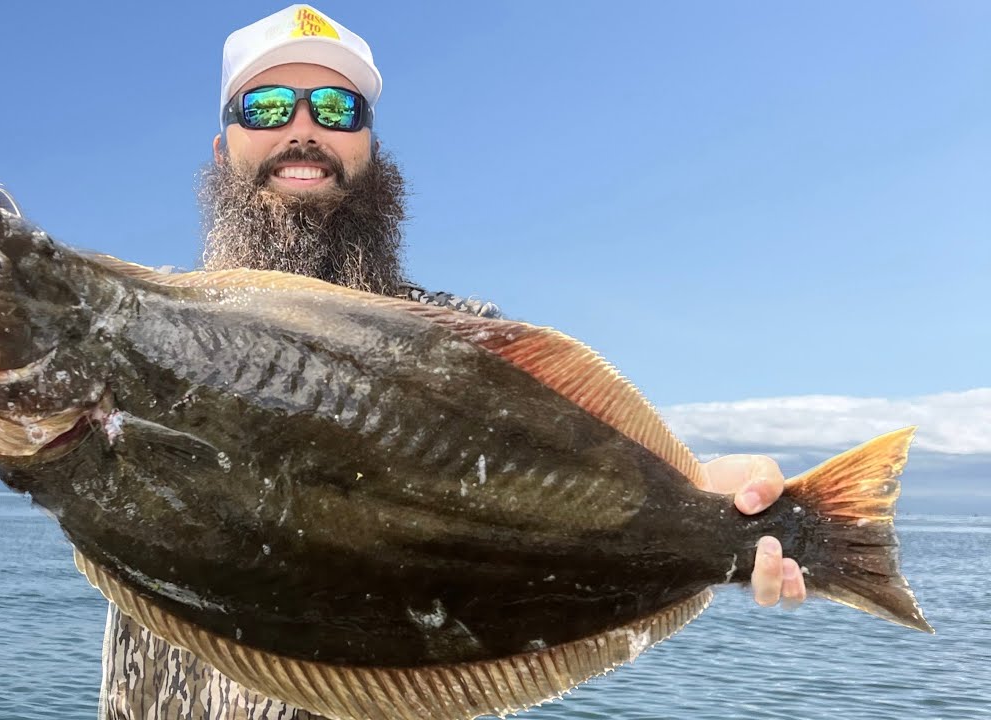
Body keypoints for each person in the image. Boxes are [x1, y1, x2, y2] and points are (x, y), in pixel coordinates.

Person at [96, 5, 807, 720]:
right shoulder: (138, 342)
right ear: (224, 149)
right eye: (269, 106)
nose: (303, 130)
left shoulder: (470, 344)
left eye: (338, 109)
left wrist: (716, 504)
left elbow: (572, 492)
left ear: (370, 148)